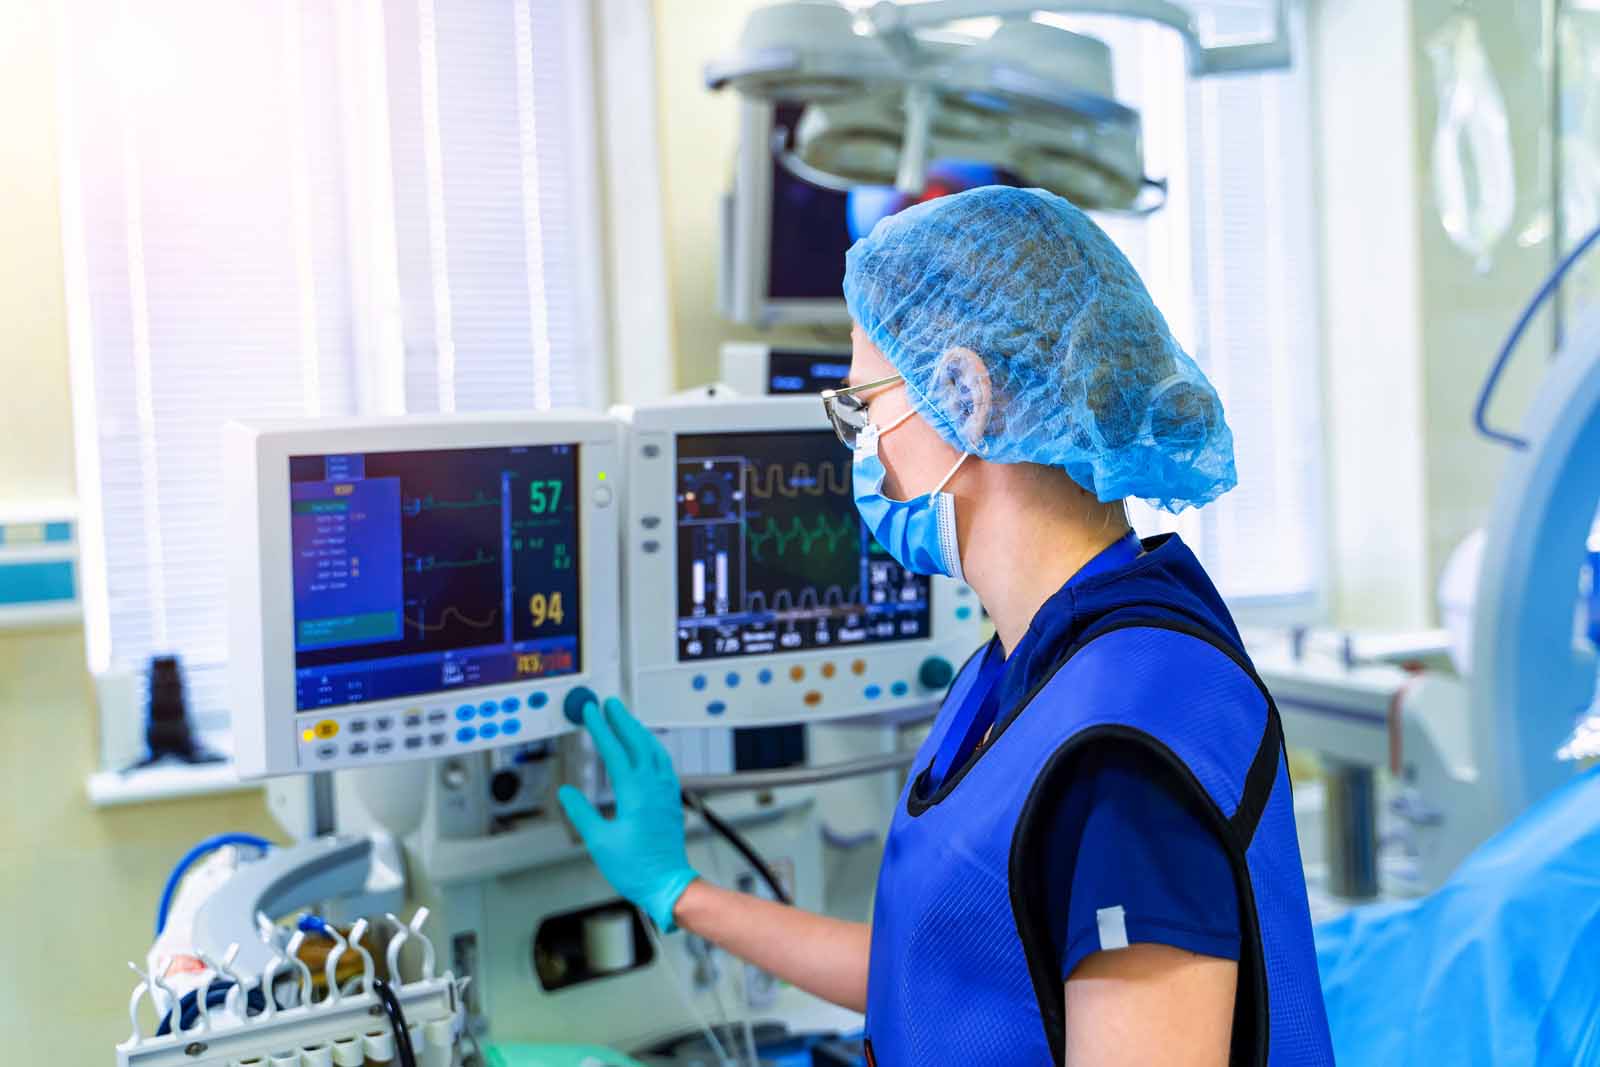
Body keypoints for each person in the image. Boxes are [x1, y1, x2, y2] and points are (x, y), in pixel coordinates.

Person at [559, 187, 1334, 1066]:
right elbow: (944, 979)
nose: (864, 449)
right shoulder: (1024, 666)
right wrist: (681, 890)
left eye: (865, 407)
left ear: (965, 394)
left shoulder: (1122, 741)